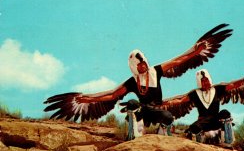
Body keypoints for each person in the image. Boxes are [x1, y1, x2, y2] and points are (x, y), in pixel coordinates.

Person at [44, 24, 233, 132]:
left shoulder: (157, 71)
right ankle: (135, 132)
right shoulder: (132, 81)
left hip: (158, 109)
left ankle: (162, 132)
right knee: (133, 104)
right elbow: (112, 95)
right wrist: (85, 99)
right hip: (143, 110)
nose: (143, 65)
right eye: (139, 64)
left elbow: (179, 60)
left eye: (144, 62)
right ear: (134, 65)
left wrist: (196, 51)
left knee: (167, 116)